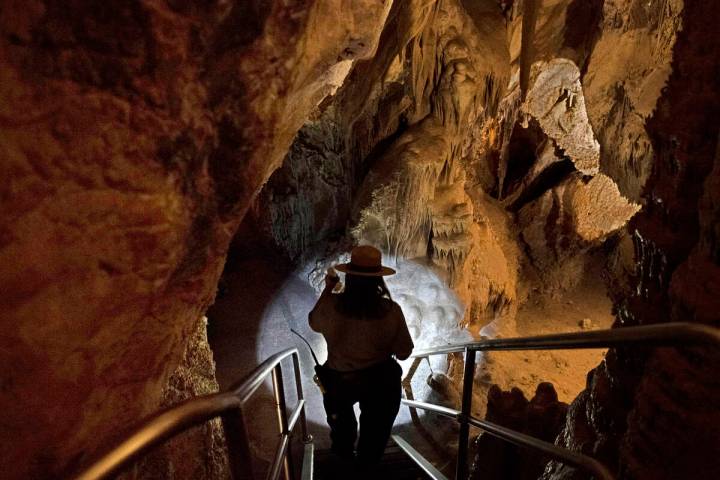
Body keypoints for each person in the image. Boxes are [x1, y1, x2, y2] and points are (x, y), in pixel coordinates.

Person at [309, 245, 414, 467]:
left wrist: (328, 289)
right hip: (379, 383)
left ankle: (344, 459)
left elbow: (313, 322)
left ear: (350, 276)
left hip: (339, 381)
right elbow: (404, 353)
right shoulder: (391, 310)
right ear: (378, 280)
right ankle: (367, 465)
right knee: (373, 439)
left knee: (342, 434)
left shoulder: (332, 305)